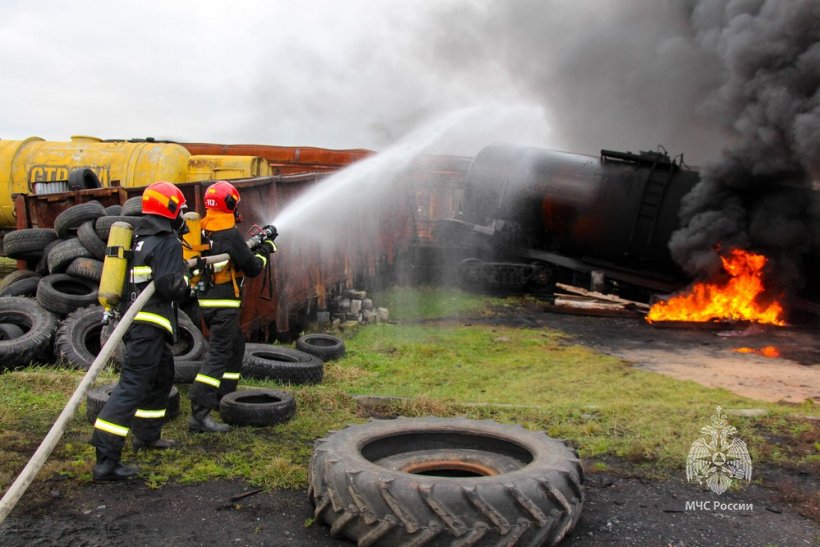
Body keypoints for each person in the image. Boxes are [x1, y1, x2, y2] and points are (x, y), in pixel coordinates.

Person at [90, 181, 191, 481]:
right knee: (132, 386)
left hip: (139, 324)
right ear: (170, 208)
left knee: (162, 378)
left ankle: (147, 436)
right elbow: (170, 286)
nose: (185, 216)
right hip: (149, 326)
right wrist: (189, 280)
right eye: (182, 210)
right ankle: (106, 460)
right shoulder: (168, 243)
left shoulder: (137, 238)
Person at [188, 180, 276, 433]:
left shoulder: (204, 229)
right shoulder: (229, 233)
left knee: (235, 347)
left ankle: (223, 399)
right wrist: (266, 248)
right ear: (229, 204)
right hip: (224, 303)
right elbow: (252, 268)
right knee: (217, 355)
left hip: (208, 301)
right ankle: (199, 413)